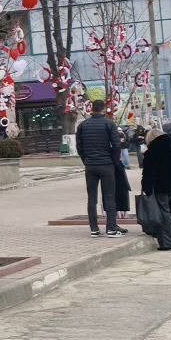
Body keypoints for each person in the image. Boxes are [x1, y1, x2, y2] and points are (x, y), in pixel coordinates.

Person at [76, 99, 124, 237]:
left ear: (92, 109)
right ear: (104, 109)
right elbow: (116, 145)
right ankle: (111, 229)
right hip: (106, 164)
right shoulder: (109, 123)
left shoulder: (83, 125)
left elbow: (79, 146)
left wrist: (85, 160)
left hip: (90, 166)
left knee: (91, 198)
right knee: (109, 196)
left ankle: (94, 229)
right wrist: (114, 161)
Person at [142, 126, 171, 251]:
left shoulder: (151, 152)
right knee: (170, 211)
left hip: (159, 187)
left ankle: (169, 242)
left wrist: (147, 188)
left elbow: (148, 173)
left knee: (163, 213)